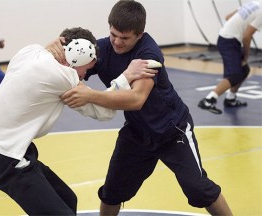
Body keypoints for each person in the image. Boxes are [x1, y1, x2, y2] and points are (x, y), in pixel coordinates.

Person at [54, 1, 233, 215]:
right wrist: (53, 49)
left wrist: (90, 95)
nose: (117, 42)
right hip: (137, 133)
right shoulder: (101, 49)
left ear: (139, 35)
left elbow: (136, 99)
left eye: (125, 38)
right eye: (113, 34)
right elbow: (65, 63)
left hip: (171, 132)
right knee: (112, 191)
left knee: (199, 189)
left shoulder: (149, 54)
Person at [0, 27, 156, 215]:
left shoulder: (30, 51)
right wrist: (127, 75)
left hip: (15, 152)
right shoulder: (63, 77)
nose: (84, 75)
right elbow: (104, 112)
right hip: (9, 161)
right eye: (87, 67)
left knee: (67, 198)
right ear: (76, 54)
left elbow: (45, 53)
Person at [198, 1, 262, 114]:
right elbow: (247, 36)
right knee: (235, 74)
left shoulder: (255, 3)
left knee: (244, 70)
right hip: (229, 41)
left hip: (227, 38)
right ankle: (208, 100)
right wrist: (246, 55)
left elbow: (228, 17)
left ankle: (230, 99)